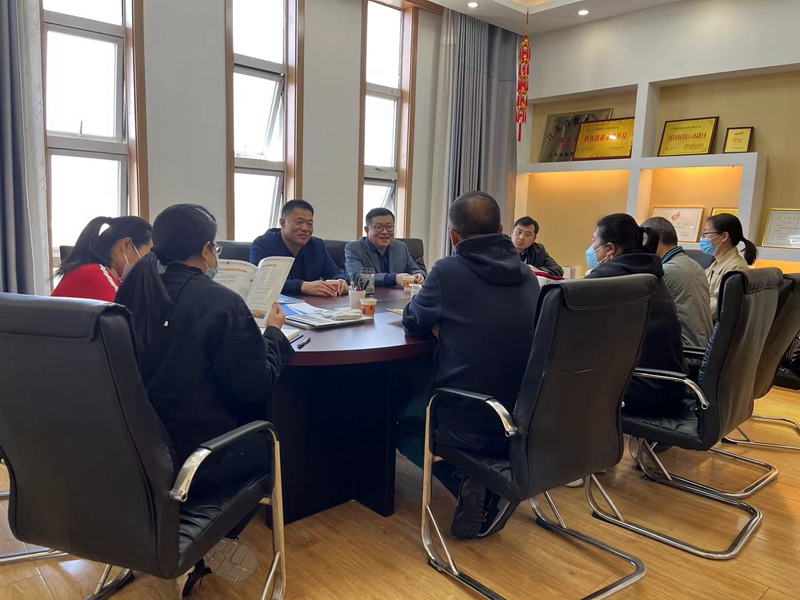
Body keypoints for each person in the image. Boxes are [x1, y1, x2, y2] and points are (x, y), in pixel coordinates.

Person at [115, 204, 294, 596]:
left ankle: (199, 540)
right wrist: (274, 334)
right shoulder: (221, 302)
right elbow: (255, 384)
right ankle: (212, 540)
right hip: (194, 464)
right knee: (271, 442)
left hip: (132, 458)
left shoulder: (131, 293)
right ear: (206, 249)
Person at [401, 191, 539, 541]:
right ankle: (490, 478)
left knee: (401, 422)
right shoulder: (527, 274)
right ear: (502, 229)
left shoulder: (448, 270)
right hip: (522, 414)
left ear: (453, 235)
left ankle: (470, 478)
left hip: (466, 419)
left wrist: (441, 323)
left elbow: (413, 320)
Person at [584, 213, 685, 417]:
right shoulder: (649, 272)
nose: (591, 247)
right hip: (668, 386)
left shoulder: (607, 278)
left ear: (610, 248)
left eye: (594, 240)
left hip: (639, 391)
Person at [250, 199, 349, 297]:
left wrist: (341, 280)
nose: (305, 228)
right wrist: (301, 286)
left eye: (309, 224)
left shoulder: (316, 245)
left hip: (313, 305)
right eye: (299, 222)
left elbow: (334, 272)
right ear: (283, 223)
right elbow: (259, 281)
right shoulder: (263, 244)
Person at [641, 216, 713, 349]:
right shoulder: (695, 265)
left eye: (643, 241)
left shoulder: (665, 272)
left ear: (653, 240)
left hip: (685, 353)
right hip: (703, 350)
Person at [52, 216, 152, 302]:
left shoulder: (112, 278)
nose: (147, 262)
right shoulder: (93, 273)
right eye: (146, 256)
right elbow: (127, 315)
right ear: (126, 245)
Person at [344, 208, 426, 287]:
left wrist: (419, 274)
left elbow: (415, 269)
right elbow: (357, 277)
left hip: (397, 296)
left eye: (389, 227)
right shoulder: (354, 248)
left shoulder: (400, 247)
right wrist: (393, 278)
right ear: (367, 230)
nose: (385, 232)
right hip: (368, 296)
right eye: (378, 227)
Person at [702, 213, 758, 317]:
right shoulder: (715, 264)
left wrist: (692, 307)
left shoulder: (736, 269)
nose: (703, 238)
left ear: (724, 236)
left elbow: (720, 307)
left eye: (706, 233)